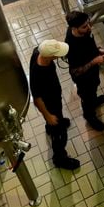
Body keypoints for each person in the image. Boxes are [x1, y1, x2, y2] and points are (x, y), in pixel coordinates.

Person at [29, 39, 80, 171]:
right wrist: (48, 116)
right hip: (50, 105)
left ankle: (50, 127)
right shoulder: (38, 73)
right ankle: (60, 158)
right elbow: (37, 99)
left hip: (54, 98)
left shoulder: (38, 51)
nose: (59, 56)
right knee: (60, 134)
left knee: (58, 119)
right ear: (50, 56)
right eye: (57, 54)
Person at [64, 11, 104, 132]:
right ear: (74, 28)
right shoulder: (71, 46)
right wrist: (94, 61)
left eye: (88, 24)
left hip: (92, 73)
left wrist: (98, 50)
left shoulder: (85, 31)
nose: (89, 27)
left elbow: (89, 45)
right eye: (84, 26)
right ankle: (89, 116)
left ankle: (94, 101)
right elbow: (75, 71)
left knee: (94, 88)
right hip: (84, 79)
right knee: (87, 96)